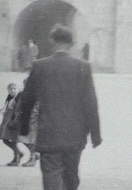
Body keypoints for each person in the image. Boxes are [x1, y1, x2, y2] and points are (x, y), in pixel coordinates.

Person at [19, 23, 101, 190]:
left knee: (51, 174)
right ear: (71, 43)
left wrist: (23, 129)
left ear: (52, 41)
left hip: (48, 132)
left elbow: (27, 100)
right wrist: (95, 135)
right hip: (75, 134)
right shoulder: (83, 67)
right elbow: (90, 103)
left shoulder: (40, 66)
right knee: (71, 175)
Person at [0, 82, 25, 165]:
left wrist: (13, 120)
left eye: (14, 89)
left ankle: (17, 157)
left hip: (13, 121)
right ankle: (18, 154)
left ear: (18, 89)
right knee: (4, 139)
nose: (12, 91)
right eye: (10, 89)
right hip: (7, 120)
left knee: (12, 139)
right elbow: (7, 106)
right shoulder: (9, 97)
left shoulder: (19, 97)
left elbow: (17, 110)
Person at [17, 74, 40, 167]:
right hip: (25, 120)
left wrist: (32, 117)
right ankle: (34, 154)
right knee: (22, 138)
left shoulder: (37, 95)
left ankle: (33, 158)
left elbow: (37, 108)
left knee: (30, 140)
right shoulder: (24, 94)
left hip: (32, 121)